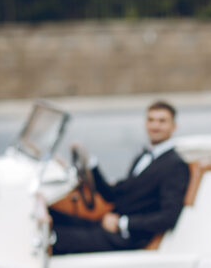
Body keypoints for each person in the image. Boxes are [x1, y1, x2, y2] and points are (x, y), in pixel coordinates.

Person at [50, 100, 190, 254]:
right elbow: (114, 195)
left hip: (130, 236)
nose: (155, 126)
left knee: (57, 236)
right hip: (110, 223)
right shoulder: (143, 157)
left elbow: (168, 216)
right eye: (151, 120)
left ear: (173, 127)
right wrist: (90, 164)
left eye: (162, 121)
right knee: (54, 216)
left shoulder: (175, 165)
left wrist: (123, 223)